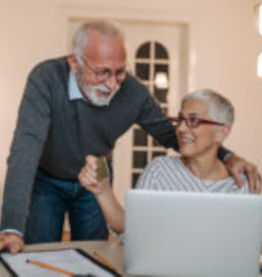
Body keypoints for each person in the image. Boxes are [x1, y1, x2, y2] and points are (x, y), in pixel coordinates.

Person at [0, 21, 261, 261]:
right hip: (46, 179)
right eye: (102, 72)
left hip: (95, 182)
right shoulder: (46, 79)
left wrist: (226, 155)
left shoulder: (133, 93)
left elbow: (174, 135)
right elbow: (25, 149)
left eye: (120, 71)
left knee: (94, 257)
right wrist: (11, 227)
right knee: (37, 256)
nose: (112, 83)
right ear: (75, 62)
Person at [78, 88, 248, 234]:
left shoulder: (240, 184)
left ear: (221, 132)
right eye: (180, 119)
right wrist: (103, 191)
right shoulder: (159, 169)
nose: (180, 128)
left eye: (193, 121)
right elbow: (131, 230)